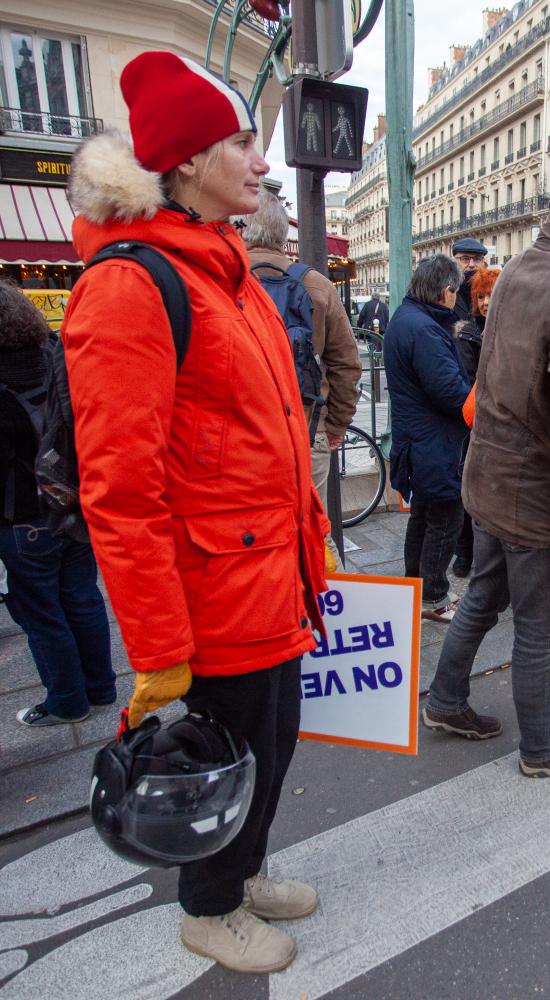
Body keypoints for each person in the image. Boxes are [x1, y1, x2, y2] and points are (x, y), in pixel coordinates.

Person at [61, 52, 329, 975]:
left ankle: (241, 871)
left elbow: (269, 434)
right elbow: (119, 490)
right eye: (242, 142)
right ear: (186, 160)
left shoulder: (225, 269)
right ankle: (210, 908)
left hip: (266, 575)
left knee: (272, 746)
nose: (262, 160)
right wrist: (158, 649)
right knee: (223, 752)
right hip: (213, 594)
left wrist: (311, 548)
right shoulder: (133, 284)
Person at [422, 145, 550, 779]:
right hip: (534, 490)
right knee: (539, 624)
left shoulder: (517, 270)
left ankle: (444, 700)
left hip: (490, 478)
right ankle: (541, 747)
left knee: (484, 594)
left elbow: (491, 380)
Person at [0, 285, 115, 726]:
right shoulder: (56, 357)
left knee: (42, 615)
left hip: (21, 516)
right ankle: (101, 687)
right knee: (84, 599)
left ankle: (67, 701)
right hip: (73, 501)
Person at [238, 189, 361, 511]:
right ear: (282, 234)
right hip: (308, 428)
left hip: (240, 438)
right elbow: (346, 363)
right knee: (310, 527)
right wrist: (334, 426)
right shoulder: (316, 284)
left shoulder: (220, 278)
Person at [383, 255, 471, 622]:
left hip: (419, 440)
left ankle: (414, 588)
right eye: (456, 291)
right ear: (445, 291)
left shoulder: (407, 319)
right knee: (445, 520)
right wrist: (477, 394)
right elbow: (450, 392)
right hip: (435, 444)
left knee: (422, 517)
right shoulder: (424, 330)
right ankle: (433, 596)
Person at [452, 266, 501, 578]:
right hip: (477, 422)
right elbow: (467, 380)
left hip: (500, 422)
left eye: (490, 295)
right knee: (470, 491)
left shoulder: (512, 329)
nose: (485, 302)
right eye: (480, 296)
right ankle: (464, 552)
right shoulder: (468, 332)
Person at [452, 236, 489, 324]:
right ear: (454, 262)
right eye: (465, 259)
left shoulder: (493, 291)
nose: (471, 264)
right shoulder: (444, 293)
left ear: (483, 262)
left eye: (477, 259)